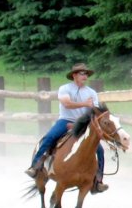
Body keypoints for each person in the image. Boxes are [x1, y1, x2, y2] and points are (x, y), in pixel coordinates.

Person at [25, 62, 108, 193]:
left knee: (99, 150)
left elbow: (95, 110)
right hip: (65, 120)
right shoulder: (65, 88)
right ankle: (35, 166)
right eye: (82, 73)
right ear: (74, 75)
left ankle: (98, 180)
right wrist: (84, 103)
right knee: (50, 137)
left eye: (86, 73)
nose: (85, 76)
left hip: (82, 123)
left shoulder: (91, 92)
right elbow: (67, 104)